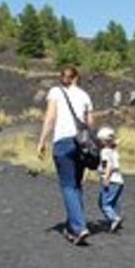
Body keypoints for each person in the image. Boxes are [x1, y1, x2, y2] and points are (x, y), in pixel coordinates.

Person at [37, 66, 94, 245]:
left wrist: (42, 141)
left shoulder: (55, 91)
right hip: (81, 143)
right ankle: (73, 227)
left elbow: (50, 117)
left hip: (63, 142)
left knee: (68, 186)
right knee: (76, 186)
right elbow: (90, 123)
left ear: (63, 78)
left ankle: (79, 227)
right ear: (77, 77)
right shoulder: (85, 95)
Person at [96, 126, 124, 232]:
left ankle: (114, 218)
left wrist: (106, 179)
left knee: (104, 204)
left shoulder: (105, 152)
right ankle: (113, 221)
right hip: (119, 181)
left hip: (111, 181)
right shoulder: (113, 151)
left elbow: (109, 165)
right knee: (111, 202)